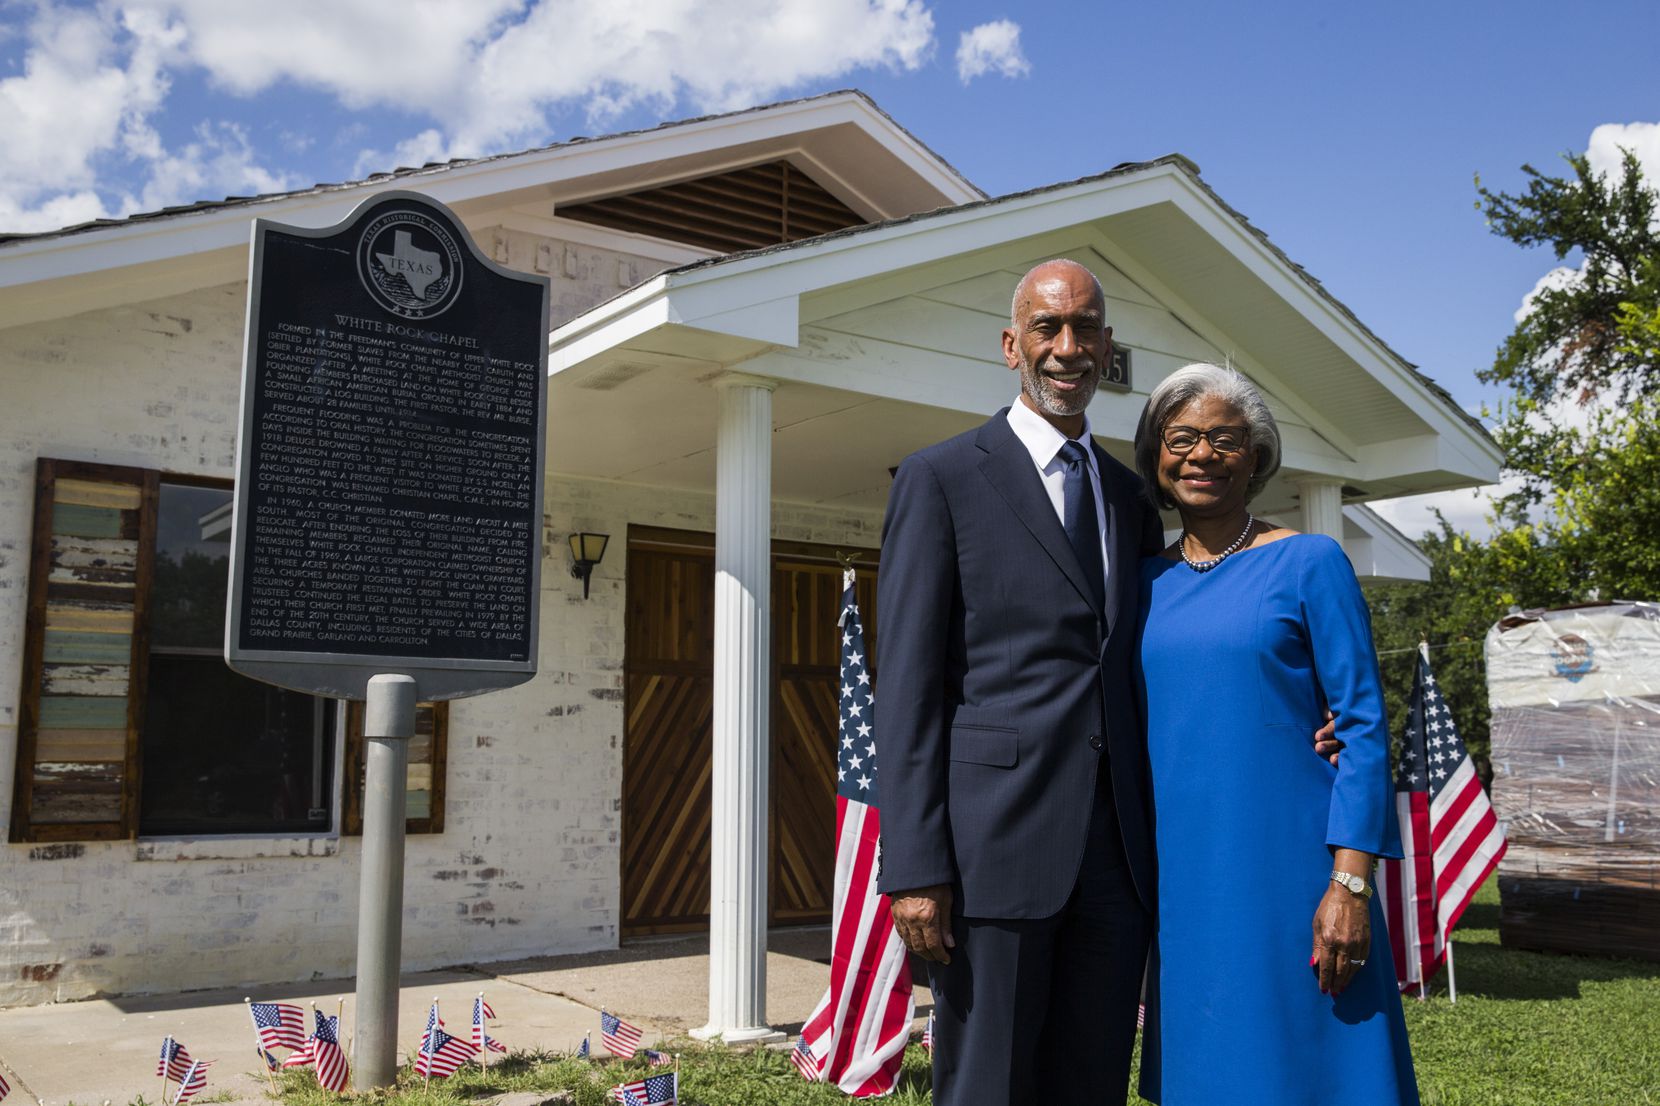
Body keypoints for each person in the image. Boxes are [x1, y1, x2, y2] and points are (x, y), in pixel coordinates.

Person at [875, 258, 1166, 1103]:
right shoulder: (942, 479)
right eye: (1048, 327)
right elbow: (909, 690)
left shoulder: (1129, 499)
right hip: (988, 857)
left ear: (1107, 349)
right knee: (987, 1086)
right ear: (1012, 345)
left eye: (1085, 329)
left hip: (1114, 859)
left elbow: (1160, 657)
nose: (1067, 346)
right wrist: (916, 864)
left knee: (1090, 1082)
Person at [1132, 363, 1418, 1105]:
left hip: (1297, 874)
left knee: (1314, 1075)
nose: (1202, 454)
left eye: (1225, 438)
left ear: (1256, 457)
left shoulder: (1309, 562)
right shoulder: (1139, 586)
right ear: (1156, 457)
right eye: (1182, 437)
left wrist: (1351, 883)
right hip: (1184, 884)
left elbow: (1360, 725)